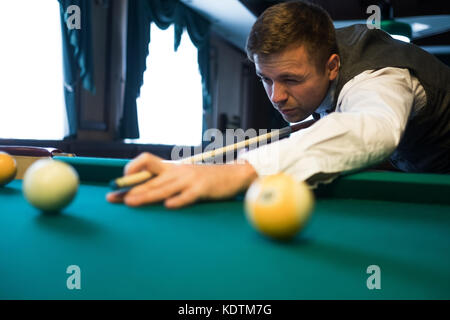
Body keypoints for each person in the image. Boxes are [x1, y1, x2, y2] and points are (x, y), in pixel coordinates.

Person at [107, 0, 450, 208]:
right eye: (265, 79)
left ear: (332, 67)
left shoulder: (379, 76)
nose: (276, 96)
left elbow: (373, 128)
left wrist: (242, 171)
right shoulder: (317, 64)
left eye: (291, 80)